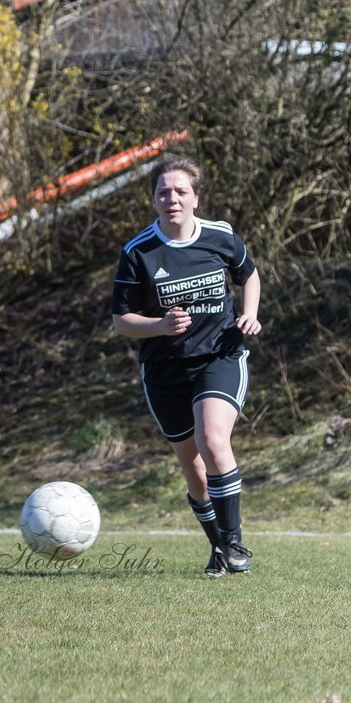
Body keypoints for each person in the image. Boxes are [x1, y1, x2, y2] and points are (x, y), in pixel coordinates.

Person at [111, 155, 261, 578]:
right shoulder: (138, 252)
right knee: (194, 467)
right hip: (166, 371)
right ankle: (219, 547)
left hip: (220, 356)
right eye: (163, 192)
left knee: (213, 440)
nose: (171, 198)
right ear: (154, 200)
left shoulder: (219, 237)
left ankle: (234, 544)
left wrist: (249, 313)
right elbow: (121, 321)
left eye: (180, 191)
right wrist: (159, 324)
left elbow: (248, 275)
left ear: (195, 197)